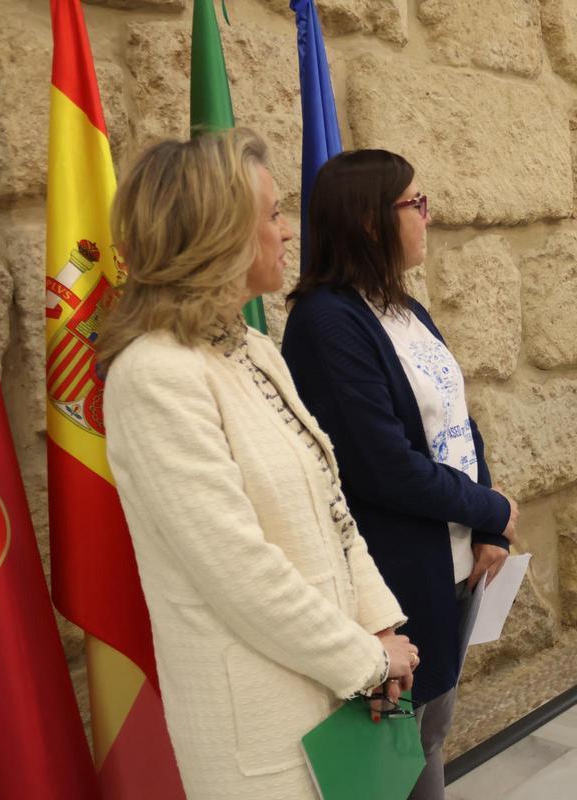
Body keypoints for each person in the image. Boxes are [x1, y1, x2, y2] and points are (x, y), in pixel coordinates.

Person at [98, 129, 419, 799]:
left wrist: (380, 624)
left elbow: (331, 506)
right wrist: (365, 660)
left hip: (340, 695)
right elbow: (236, 570)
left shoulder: (250, 348)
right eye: (272, 214)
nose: (287, 232)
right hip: (264, 734)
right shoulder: (154, 375)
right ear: (218, 232)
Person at [281, 149, 518, 800]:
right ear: (367, 221)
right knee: (393, 756)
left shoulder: (400, 306)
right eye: (415, 204)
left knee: (431, 730)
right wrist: (490, 510)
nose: (427, 217)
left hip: (454, 565)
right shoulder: (327, 321)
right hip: (395, 577)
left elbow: (456, 424)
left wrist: (490, 523)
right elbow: (384, 468)